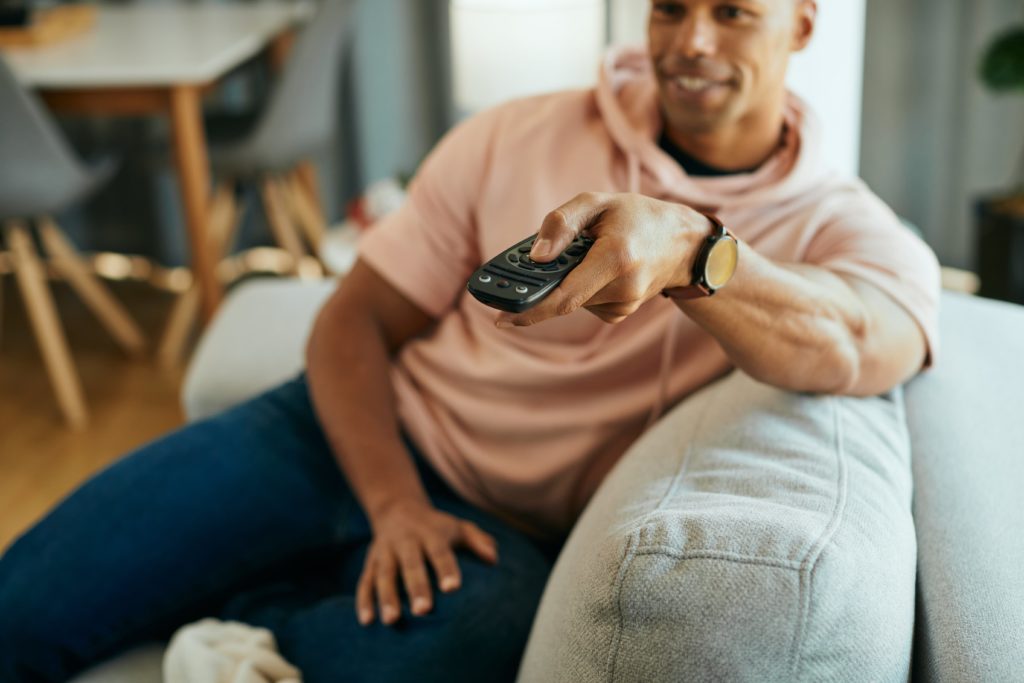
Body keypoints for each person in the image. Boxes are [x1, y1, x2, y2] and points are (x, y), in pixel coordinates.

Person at [0, 0, 939, 681]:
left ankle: (249, 603)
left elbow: (862, 341)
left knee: (430, 653)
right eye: (669, 9)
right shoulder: (514, 133)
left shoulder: (837, 224)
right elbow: (353, 320)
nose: (691, 41)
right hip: (339, 433)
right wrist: (394, 504)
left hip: (503, 538)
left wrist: (696, 248)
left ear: (802, 27)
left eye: (733, 13)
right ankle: (273, 573)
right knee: (23, 611)